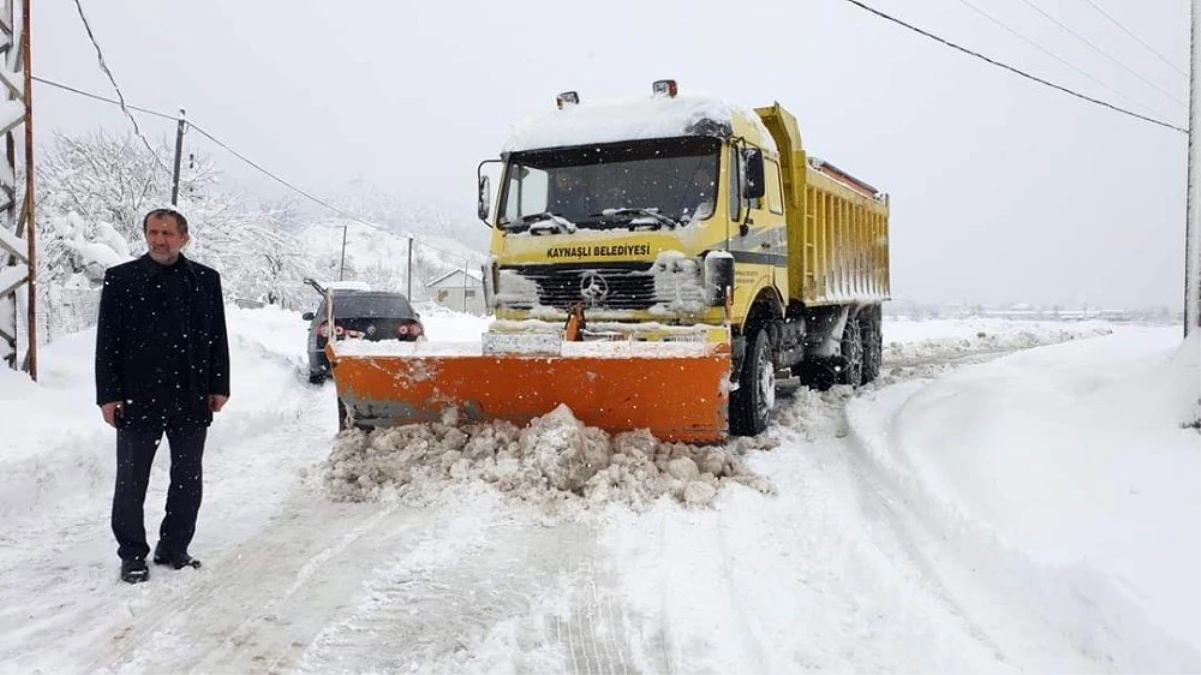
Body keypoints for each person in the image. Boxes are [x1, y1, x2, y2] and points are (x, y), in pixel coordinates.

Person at [95, 208, 230, 584]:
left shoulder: (205, 281)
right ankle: (132, 554)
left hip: (190, 397)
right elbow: (107, 343)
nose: (159, 239)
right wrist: (109, 395)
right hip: (139, 397)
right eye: (153, 232)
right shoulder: (121, 280)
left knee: (188, 478)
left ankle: (173, 547)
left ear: (183, 238)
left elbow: (217, 337)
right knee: (131, 481)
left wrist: (219, 386)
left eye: (167, 233)